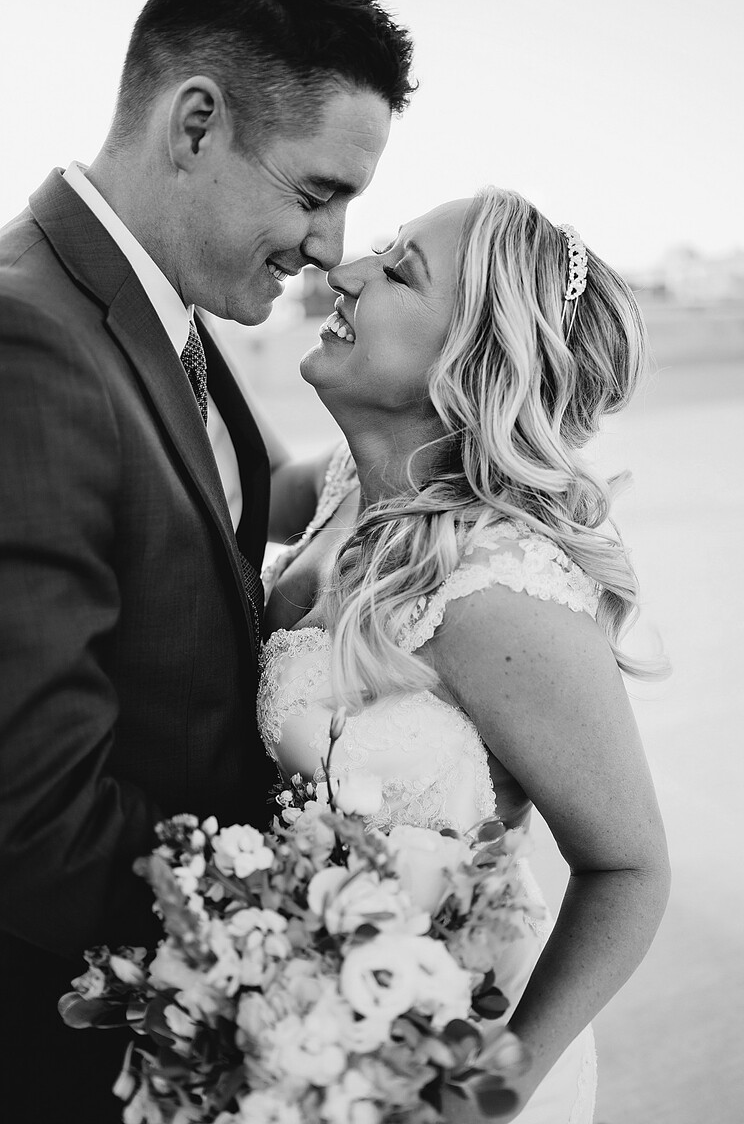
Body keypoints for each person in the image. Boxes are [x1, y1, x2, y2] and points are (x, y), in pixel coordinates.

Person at [0, 0, 414, 1120]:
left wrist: (457, 452)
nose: (329, 249)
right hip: (92, 1050)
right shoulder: (25, 342)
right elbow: (34, 821)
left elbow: (251, 495)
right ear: (195, 124)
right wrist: (307, 935)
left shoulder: (162, 301)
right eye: (317, 194)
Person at [258, 188, 671, 1122]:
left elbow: (629, 871)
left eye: (398, 272)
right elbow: (232, 469)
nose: (347, 271)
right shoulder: (343, 482)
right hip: (312, 1024)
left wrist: (487, 1095)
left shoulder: (494, 593)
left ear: (468, 363)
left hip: (456, 1043)